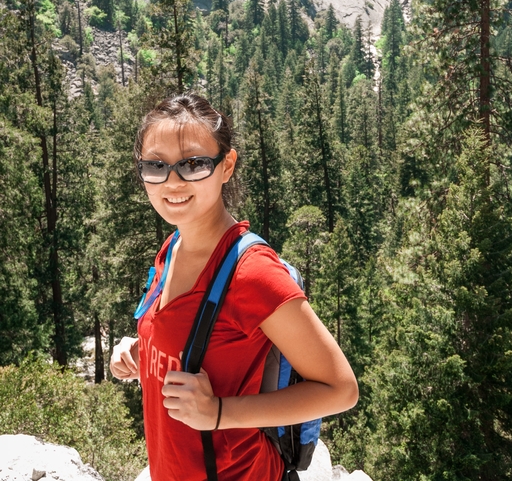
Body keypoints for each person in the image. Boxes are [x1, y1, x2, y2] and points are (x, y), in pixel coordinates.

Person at [110, 92, 358, 481]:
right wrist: (139, 353)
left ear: (227, 166)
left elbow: (340, 389)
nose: (172, 181)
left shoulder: (252, 273)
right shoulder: (172, 248)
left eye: (193, 163)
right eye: (155, 165)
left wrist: (220, 413)